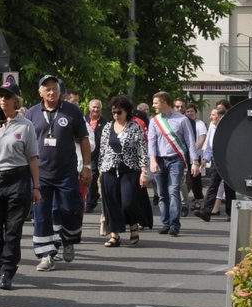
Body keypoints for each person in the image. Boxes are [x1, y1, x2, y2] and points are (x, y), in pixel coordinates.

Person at [26, 74, 92, 270]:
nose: (51, 92)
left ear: (60, 91)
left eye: (54, 88)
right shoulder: (32, 113)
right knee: (42, 215)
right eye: (47, 88)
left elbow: (84, 139)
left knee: (71, 210)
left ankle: (69, 239)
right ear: (40, 92)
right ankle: (46, 255)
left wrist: (87, 167)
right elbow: (25, 144)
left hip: (66, 173)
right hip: (41, 174)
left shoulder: (72, 111)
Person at [0, 82, 41, 288]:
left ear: (16, 101)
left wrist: (36, 187)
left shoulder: (26, 125)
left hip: (18, 180)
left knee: (13, 229)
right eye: (0, 96)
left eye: (7, 97)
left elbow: (33, 158)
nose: (3, 100)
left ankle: (8, 269)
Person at [98, 95, 153, 247]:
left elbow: (142, 150)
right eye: (113, 112)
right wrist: (100, 170)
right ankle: (114, 235)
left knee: (128, 202)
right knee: (112, 203)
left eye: (119, 112)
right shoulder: (108, 127)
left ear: (127, 111)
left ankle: (133, 225)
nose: (116, 115)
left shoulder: (136, 127)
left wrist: (144, 171)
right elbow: (103, 150)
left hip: (130, 170)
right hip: (109, 169)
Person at [146, 91, 197, 236]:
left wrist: (194, 162)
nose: (153, 105)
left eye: (156, 103)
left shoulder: (182, 120)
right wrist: (153, 160)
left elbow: (190, 142)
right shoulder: (154, 121)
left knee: (173, 190)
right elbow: (152, 142)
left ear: (164, 103)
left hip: (176, 159)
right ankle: (166, 223)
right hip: (160, 160)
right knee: (162, 194)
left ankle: (175, 224)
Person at [194, 102, 230, 221]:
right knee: (213, 185)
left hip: (229, 161)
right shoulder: (212, 125)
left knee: (229, 187)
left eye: (213, 115)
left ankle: (231, 213)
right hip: (216, 160)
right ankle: (206, 212)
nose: (210, 117)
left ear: (220, 116)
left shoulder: (228, 126)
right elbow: (209, 144)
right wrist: (205, 158)